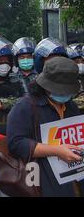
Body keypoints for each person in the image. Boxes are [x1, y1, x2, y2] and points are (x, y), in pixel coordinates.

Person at [7, 57, 82, 197]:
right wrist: (56, 150)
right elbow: (15, 143)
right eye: (59, 89)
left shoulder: (71, 107)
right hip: (41, 179)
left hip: (74, 178)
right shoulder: (25, 107)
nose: (63, 94)